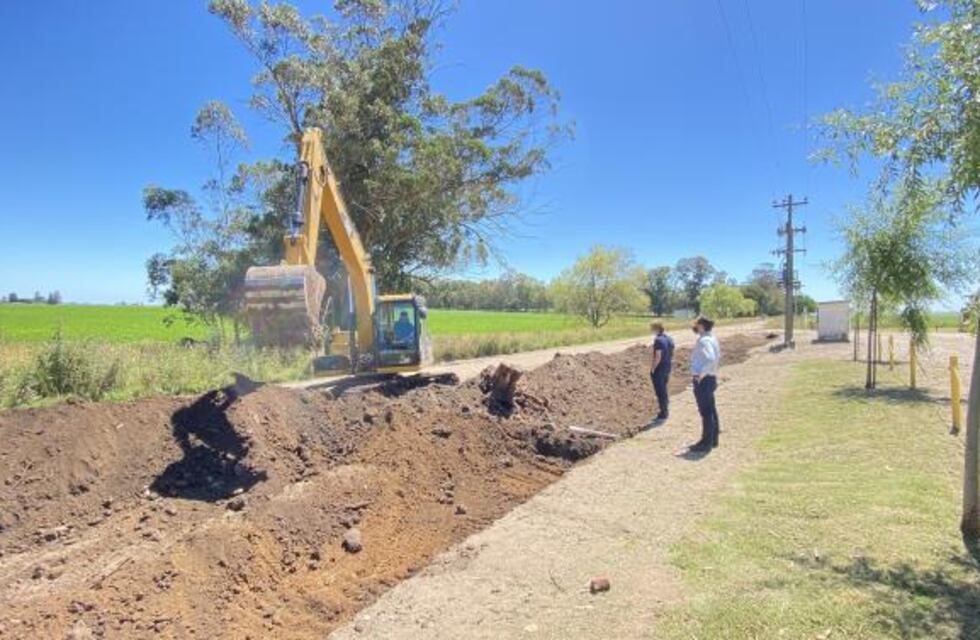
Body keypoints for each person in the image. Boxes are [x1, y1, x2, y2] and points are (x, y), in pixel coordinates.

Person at [690, 316, 721, 452]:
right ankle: (713, 439)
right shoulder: (712, 338)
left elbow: (710, 359)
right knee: (711, 410)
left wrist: (700, 375)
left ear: (701, 326)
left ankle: (705, 443)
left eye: (696, 324)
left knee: (706, 412)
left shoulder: (704, 341)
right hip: (711, 378)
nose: (694, 327)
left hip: (704, 380)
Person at [649, 321, 674, 422]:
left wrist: (653, 368)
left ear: (656, 329)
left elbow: (658, 356)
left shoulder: (658, 340)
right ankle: (665, 409)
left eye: (652, 328)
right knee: (664, 389)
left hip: (659, 368)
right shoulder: (669, 339)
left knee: (660, 391)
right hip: (667, 367)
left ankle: (663, 412)